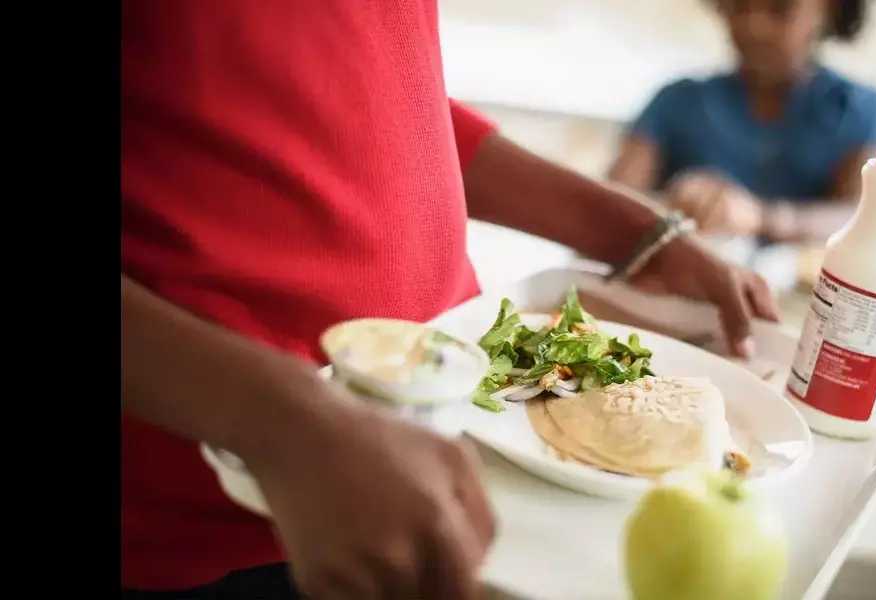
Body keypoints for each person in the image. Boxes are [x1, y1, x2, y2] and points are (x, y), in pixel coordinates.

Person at [121, 1, 781, 599]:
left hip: (457, 449)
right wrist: (282, 422)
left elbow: (382, 102)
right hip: (228, 511)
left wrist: (634, 231)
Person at [608, 0, 876, 245]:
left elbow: (862, 221)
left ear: (831, 9)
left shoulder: (858, 110)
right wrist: (670, 202)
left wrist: (761, 217)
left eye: (781, 8)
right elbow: (610, 201)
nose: (754, 26)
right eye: (740, 4)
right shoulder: (677, 101)